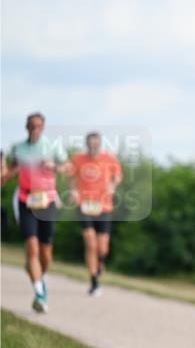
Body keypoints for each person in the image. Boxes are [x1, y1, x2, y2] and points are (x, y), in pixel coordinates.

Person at [2, 112, 71, 313]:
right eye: (32, 126)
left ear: (43, 128)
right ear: (26, 127)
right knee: (31, 248)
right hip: (25, 201)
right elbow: (5, 176)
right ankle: (39, 293)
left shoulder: (53, 147)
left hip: (47, 200)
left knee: (46, 252)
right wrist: (7, 170)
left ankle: (40, 275)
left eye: (39, 126)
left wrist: (55, 166)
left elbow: (67, 169)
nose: (35, 129)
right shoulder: (18, 148)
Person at [68, 132, 122, 296]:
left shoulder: (109, 158)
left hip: (103, 206)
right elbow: (71, 177)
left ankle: (100, 261)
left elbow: (118, 175)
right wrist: (72, 191)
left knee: (103, 247)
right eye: (90, 145)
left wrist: (113, 185)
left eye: (96, 145)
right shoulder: (77, 159)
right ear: (86, 144)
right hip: (84, 205)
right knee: (90, 243)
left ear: (100, 144)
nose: (93, 148)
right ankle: (94, 282)